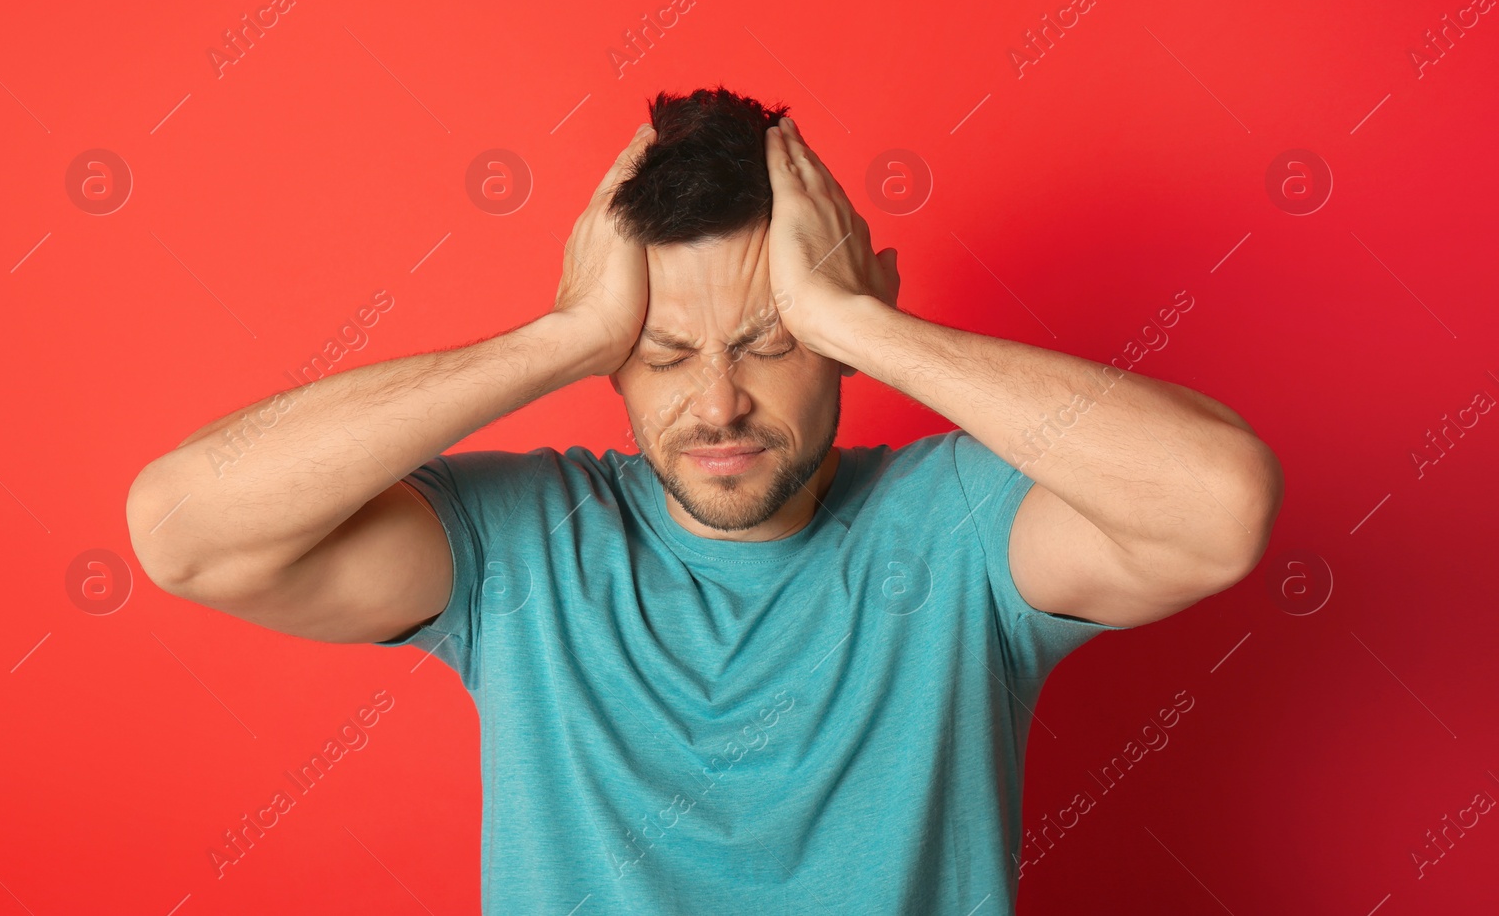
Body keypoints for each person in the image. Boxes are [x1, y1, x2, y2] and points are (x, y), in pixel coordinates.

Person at [126, 85, 1283, 914]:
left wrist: (866, 324)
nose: (718, 402)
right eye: (665, 352)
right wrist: (559, 335)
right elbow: (184, 528)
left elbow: (1219, 503)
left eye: (773, 340)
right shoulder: (525, 548)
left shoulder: (963, 531)